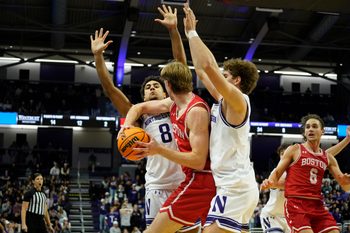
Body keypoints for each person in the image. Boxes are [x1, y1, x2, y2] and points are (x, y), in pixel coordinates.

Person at [91, 5, 192, 231]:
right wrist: (98, 57)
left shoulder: (177, 104)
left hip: (185, 182)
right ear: (143, 97)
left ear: (166, 91)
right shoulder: (138, 115)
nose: (153, 88)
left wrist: (173, 31)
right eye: (148, 88)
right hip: (157, 185)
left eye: (157, 85)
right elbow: (109, 89)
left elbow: (180, 66)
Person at [183, 4, 260, 233]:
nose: (220, 77)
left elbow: (208, 65)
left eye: (225, 75)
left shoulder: (238, 101)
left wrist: (193, 33)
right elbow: (201, 70)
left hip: (234, 187)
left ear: (236, 81)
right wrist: (189, 35)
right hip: (233, 186)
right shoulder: (223, 101)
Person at [261, 114, 350, 233]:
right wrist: (270, 181)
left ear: (322, 131)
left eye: (314, 126)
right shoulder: (295, 150)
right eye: (307, 127)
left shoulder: (326, 157)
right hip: (295, 204)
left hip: (317, 205)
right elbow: (276, 173)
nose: (310, 129)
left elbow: (344, 184)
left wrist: (347, 180)